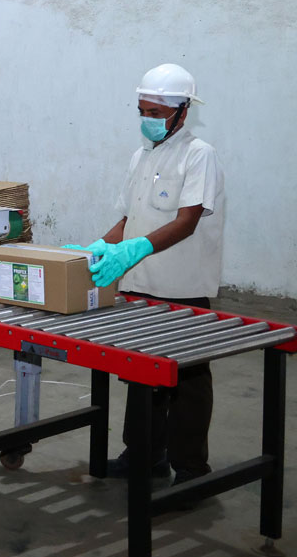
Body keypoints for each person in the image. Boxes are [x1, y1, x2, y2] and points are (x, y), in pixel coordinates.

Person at [68, 63, 226, 486]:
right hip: (140, 287)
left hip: (183, 289)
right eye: (143, 110)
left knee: (187, 380)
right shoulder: (141, 157)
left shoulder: (200, 156)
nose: (148, 120)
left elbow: (188, 220)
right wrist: (98, 248)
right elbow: (127, 218)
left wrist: (135, 248)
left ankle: (192, 470)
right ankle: (144, 455)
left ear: (182, 112)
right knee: (140, 375)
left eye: (156, 113)